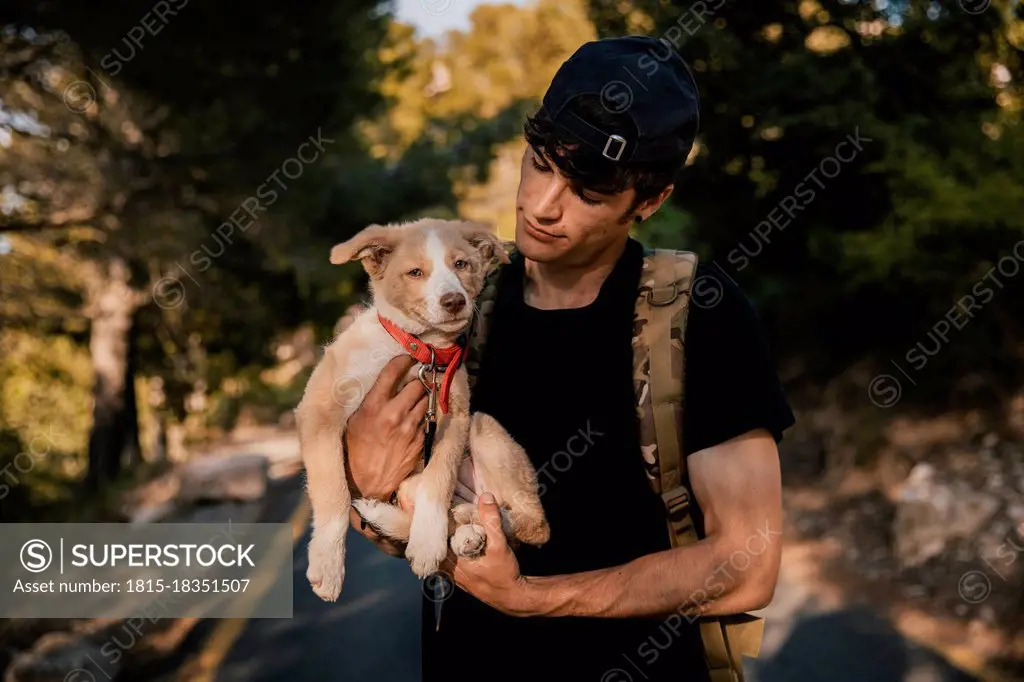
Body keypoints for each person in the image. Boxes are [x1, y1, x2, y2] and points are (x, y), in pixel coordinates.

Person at [343, 35, 795, 682]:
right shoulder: (462, 301)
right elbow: (397, 520)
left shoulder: (702, 314)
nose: (543, 206)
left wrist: (530, 601)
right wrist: (370, 480)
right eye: (540, 163)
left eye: (587, 192)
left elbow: (747, 564)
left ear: (650, 202)